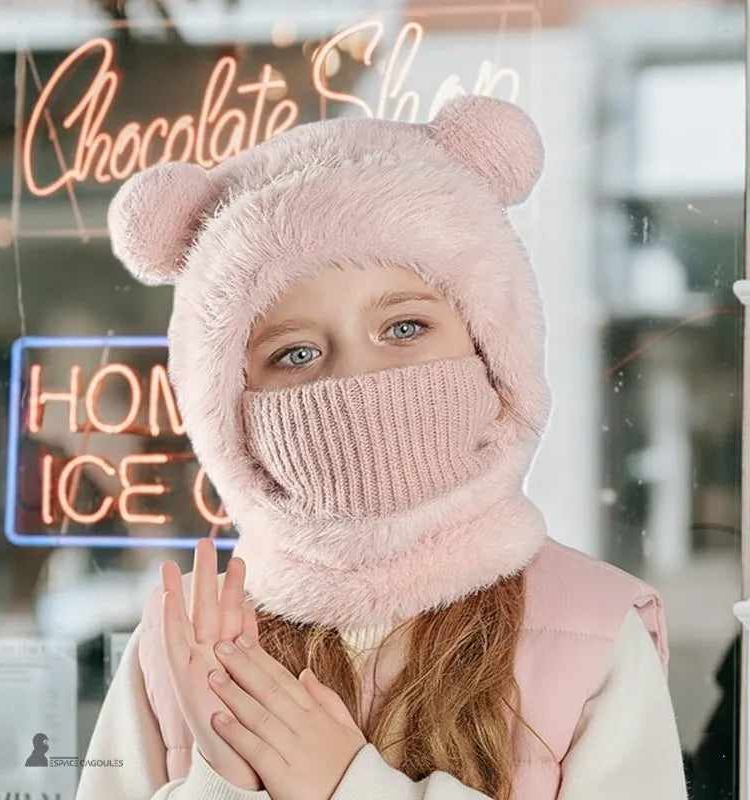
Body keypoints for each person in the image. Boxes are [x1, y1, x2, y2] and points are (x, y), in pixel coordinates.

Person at [75, 95, 690, 800]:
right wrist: (221, 781)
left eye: (404, 328)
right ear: (229, 410)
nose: (356, 380)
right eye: (296, 352)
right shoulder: (187, 640)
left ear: (494, 350)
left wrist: (349, 786)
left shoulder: (594, 625)